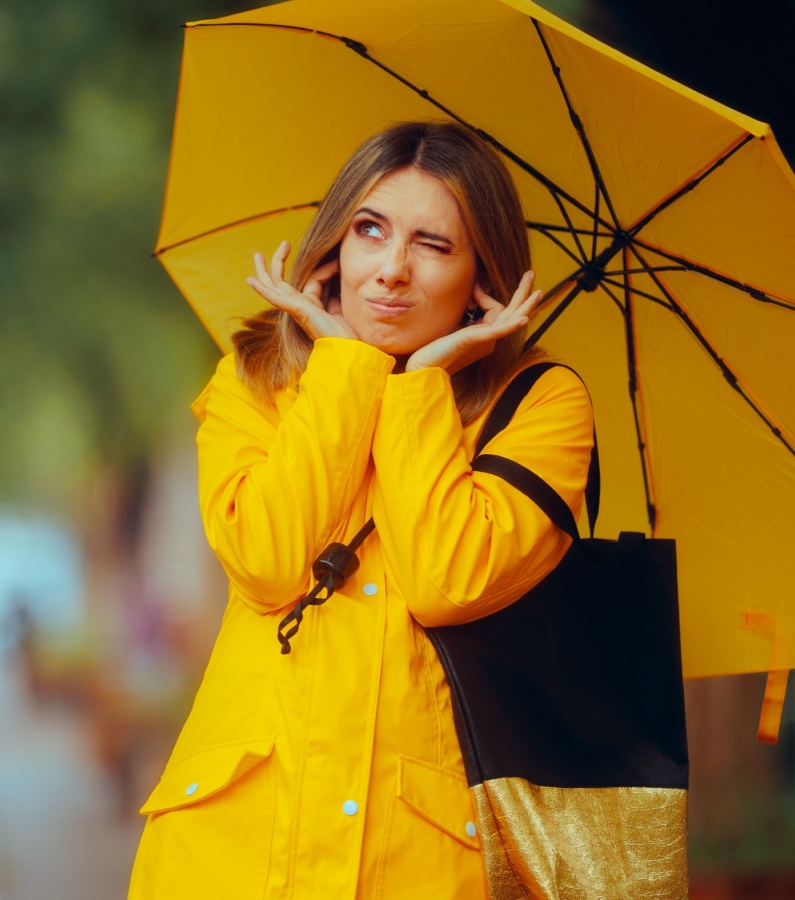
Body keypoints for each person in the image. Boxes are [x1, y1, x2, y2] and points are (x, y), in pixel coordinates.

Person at [127, 120, 595, 899]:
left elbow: (451, 580)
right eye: (369, 231)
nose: (390, 271)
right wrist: (345, 371)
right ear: (332, 248)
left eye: (434, 246)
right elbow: (268, 562)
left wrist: (422, 385)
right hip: (231, 851)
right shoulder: (258, 381)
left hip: (421, 860)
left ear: (485, 274)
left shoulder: (541, 406)